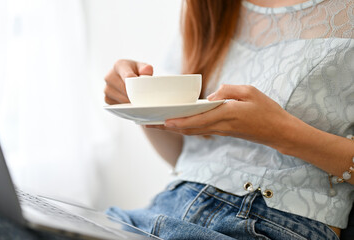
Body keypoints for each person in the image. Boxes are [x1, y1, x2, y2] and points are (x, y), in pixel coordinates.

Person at [104, 0, 354, 239]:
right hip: (167, 207)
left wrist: (280, 132)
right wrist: (141, 106)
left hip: (273, 223)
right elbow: (184, 155)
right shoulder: (209, 7)